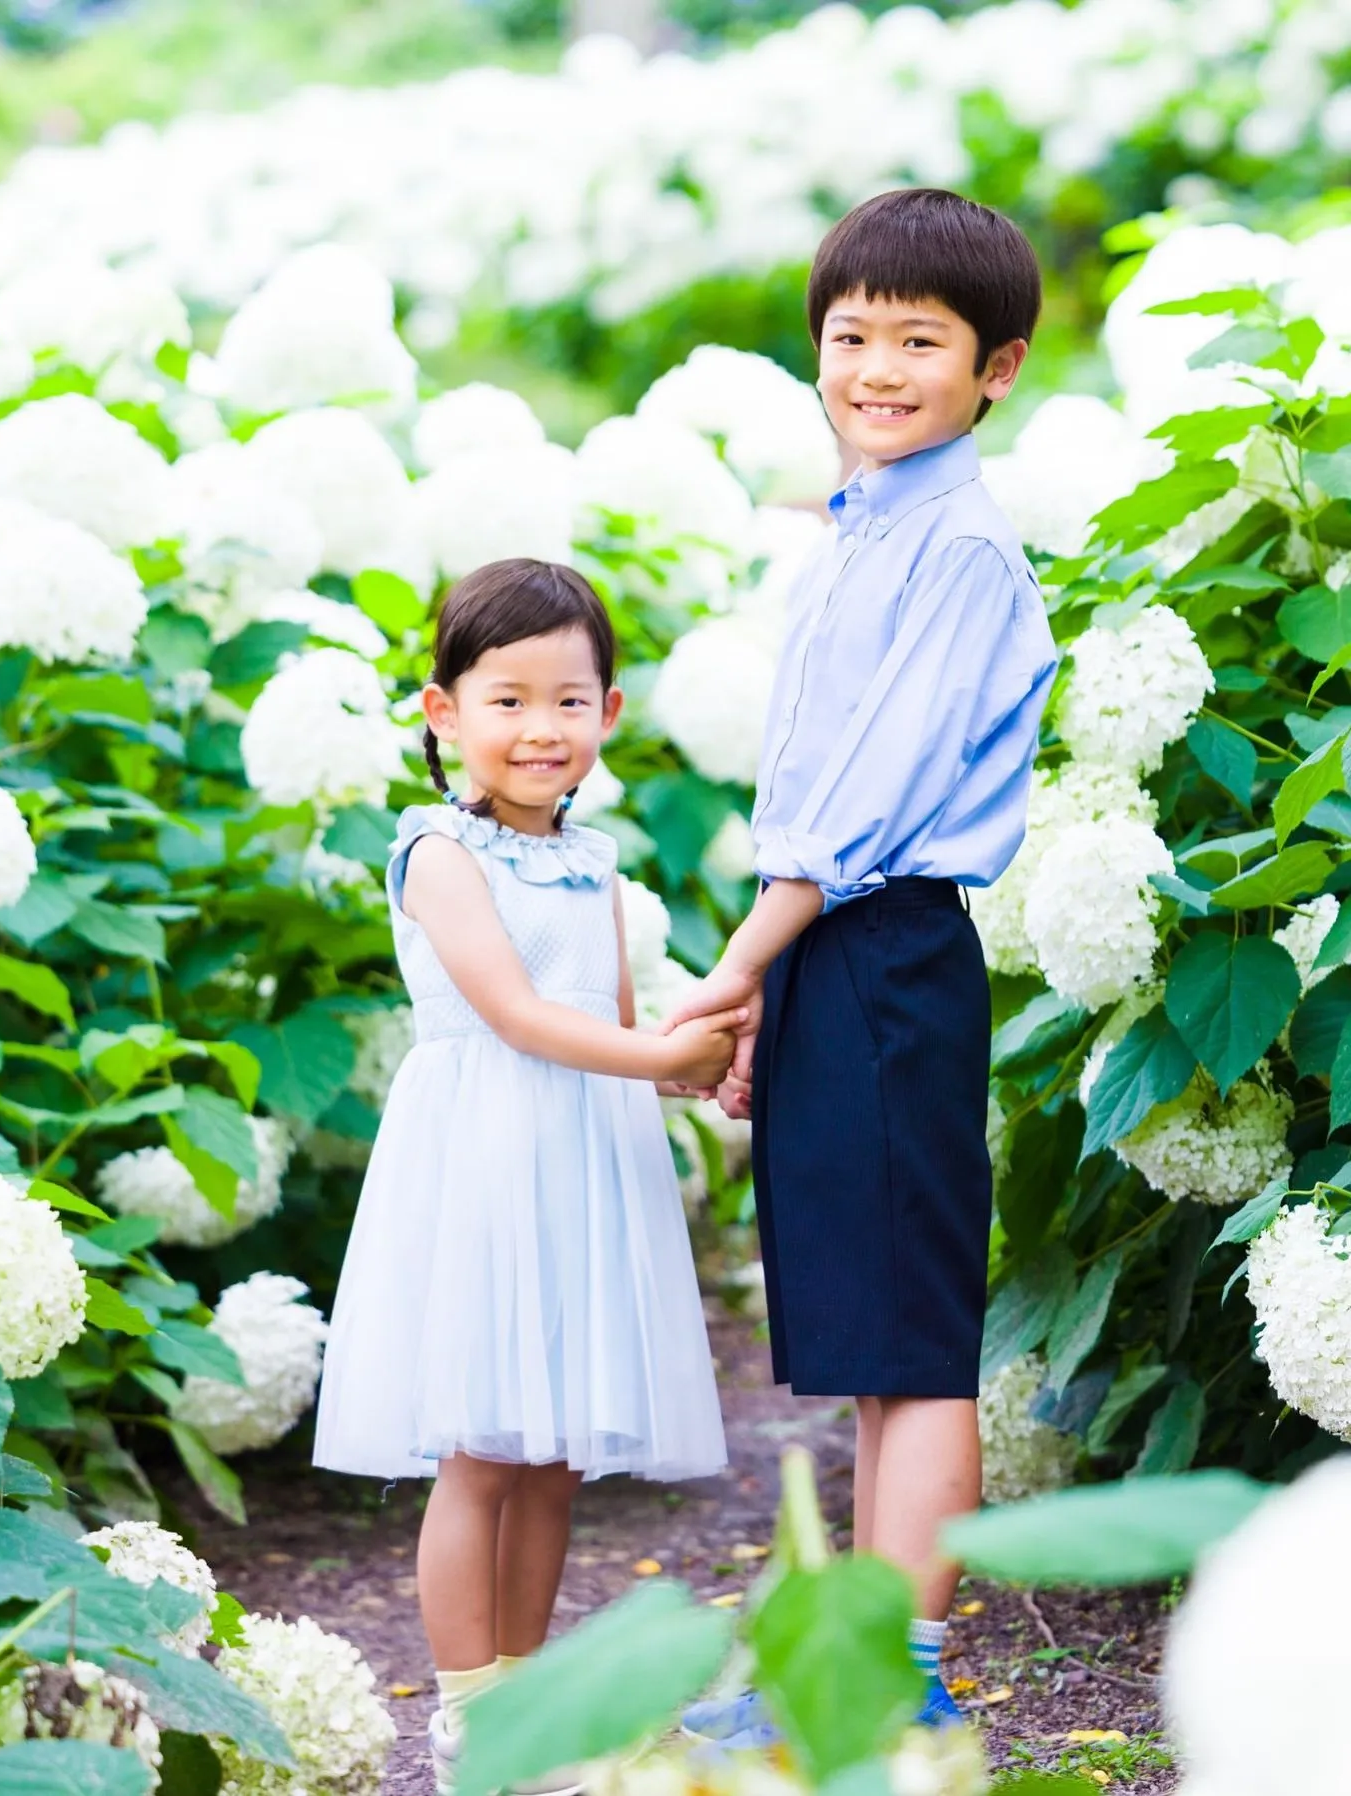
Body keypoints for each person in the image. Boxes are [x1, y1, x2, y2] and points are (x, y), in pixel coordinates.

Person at [674, 188, 1058, 1737]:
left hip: (886, 944)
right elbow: (809, 781)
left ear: (999, 369)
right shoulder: (859, 531)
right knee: (871, 1338)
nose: (877, 367)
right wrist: (773, 978)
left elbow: (866, 803)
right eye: (851, 336)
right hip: (835, 949)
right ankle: (850, 1673)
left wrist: (730, 971)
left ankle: (896, 1681)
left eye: (921, 339)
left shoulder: (958, 546)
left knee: (917, 1337)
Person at [313, 558, 733, 1795]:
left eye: (568, 699)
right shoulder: (437, 852)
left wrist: (698, 1064)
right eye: (506, 699)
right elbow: (514, 1013)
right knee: (483, 1447)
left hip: (582, 1154)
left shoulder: (593, 861)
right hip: (483, 1157)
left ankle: (533, 1702)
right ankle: (465, 1713)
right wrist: (654, 1049)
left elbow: (604, 1017)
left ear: (608, 713)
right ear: (444, 712)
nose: (539, 727)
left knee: (554, 1453)